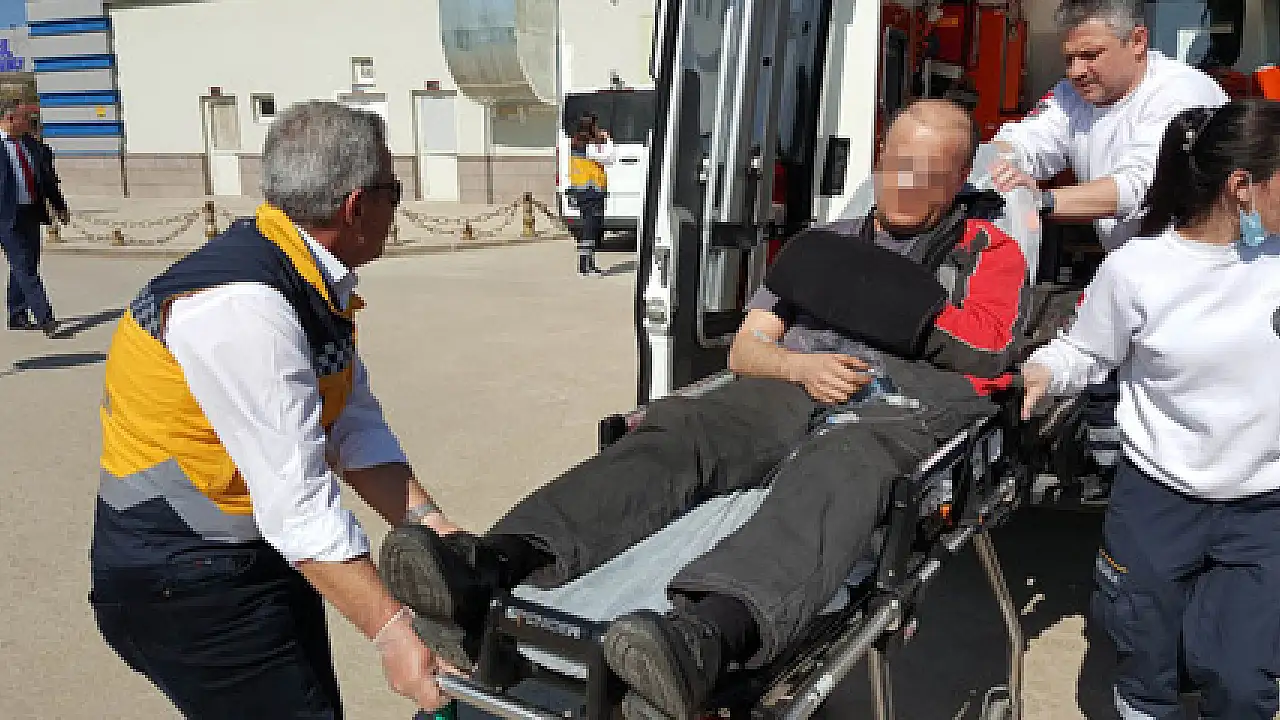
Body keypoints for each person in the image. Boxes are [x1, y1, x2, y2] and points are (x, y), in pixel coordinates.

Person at [380, 99, 1030, 718]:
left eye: (931, 173)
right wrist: (799, 367)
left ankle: (705, 636)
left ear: (959, 181)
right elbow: (748, 350)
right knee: (684, 428)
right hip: (795, 382)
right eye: (899, 163)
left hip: (898, 408)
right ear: (880, 156)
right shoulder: (823, 246)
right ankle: (493, 563)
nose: (908, 183)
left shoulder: (988, 253)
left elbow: (988, 354)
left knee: (845, 464)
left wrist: (888, 306)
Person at [89, 101, 461, 718]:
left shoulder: (304, 276)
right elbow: (298, 501)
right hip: (183, 580)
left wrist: (431, 526)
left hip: (250, 553)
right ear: (355, 206)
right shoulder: (242, 307)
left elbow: (350, 423)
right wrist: (395, 633)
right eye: (393, 192)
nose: (397, 208)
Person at [1021, 99, 1280, 719]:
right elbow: (1087, 350)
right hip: (1159, 498)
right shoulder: (1139, 270)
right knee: (1146, 662)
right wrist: (1044, 371)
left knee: (1244, 682)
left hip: (1263, 506)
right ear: (1242, 187)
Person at [988, 0, 1230, 493]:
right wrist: (998, 164)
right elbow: (1026, 141)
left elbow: (1141, 186)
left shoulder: (1180, 94)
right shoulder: (1074, 95)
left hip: (1204, 277)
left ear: (1137, 41)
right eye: (1069, 58)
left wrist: (1042, 202)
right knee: (1104, 374)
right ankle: (1111, 469)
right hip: (1133, 268)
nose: (1077, 71)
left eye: (1091, 55)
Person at [0, 97, 64, 336]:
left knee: (26, 264)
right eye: (26, 118)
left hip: (30, 212)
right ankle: (45, 318)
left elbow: (45, 178)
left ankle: (17, 314)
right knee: (24, 267)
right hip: (5, 217)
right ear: (10, 119)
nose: (30, 122)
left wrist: (59, 205)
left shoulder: (30, 144)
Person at [567, 111, 615, 276]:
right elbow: (609, 158)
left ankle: (587, 264)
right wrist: (608, 140)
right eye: (595, 125)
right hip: (591, 191)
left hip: (584, 191)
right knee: (591, 228)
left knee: (590, 228)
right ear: (590, 126)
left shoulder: (578, 142)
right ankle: (585, 266)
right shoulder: (587, 145)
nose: (598, 128)